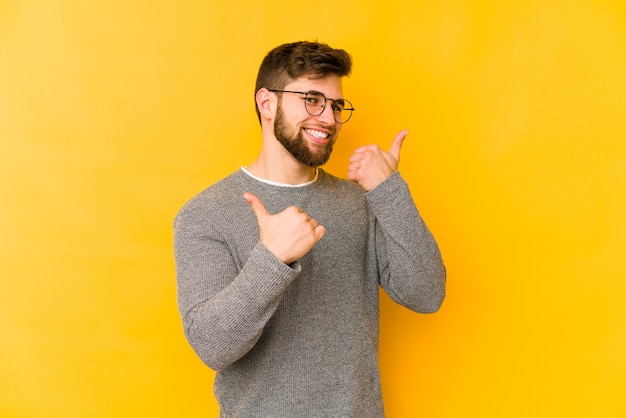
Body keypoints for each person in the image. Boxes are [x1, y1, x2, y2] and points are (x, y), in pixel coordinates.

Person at [173, 41, 446, 417]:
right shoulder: (205, 214)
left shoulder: (358, 202)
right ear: (267, 103)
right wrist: (271, 260)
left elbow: (427, 293)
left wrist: (388, 191)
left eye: (335, 105)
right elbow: (212, 346)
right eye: (312, 99)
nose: (330, 119)